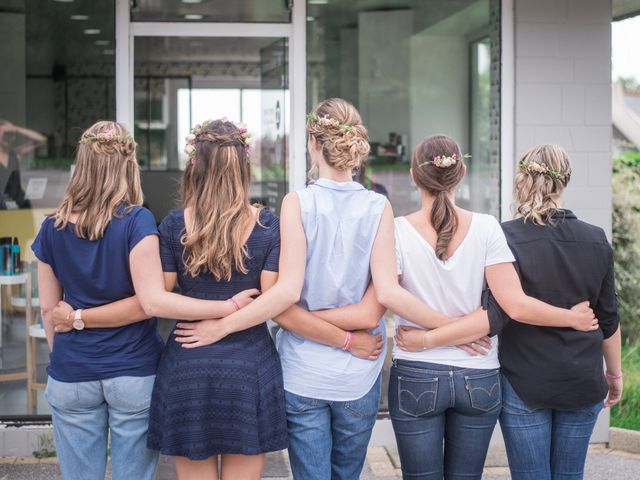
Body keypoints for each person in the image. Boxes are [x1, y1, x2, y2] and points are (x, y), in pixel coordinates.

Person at [49, 117, 384, 480]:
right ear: (244, 167)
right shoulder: (267, 225)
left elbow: (155, 299)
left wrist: (79, 313)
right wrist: (232, 312)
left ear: (194, 166)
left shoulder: (174, 226)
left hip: (188, 365)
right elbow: (274, 301)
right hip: (249, 370)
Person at [171, 98, 390, 479]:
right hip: (360, 370)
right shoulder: (379, 207)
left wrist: (304, 320)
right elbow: (372, 310)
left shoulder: (297, 204)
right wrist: (350, 340)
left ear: (313, 143)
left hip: (304, 370)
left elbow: (284, 305)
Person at [366, 134, 599, 480]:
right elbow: (509, 305)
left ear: (414, 177)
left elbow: (390, 295)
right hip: (479, 375)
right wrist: (457, 335)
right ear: (461, 175)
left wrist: (433, 337)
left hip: (416, 371)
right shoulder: (488, 227)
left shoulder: (396, 230)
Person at [35, 120, 259, 480]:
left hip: (71, 370)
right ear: (128, 165)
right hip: (133, 369)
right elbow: (149, 301)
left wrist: (71, 334)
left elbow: (50, 310)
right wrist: (229, 306)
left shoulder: (51, 228)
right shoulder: (137, 222)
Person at [490, 144, 622, 480]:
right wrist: (614, 375)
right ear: (565, 181)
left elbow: (499, 308)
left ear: (524, 177)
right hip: (582, 380)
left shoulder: (506, 236)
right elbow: (608, 319)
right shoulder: (596, 239)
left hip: (523, 381)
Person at [0, 119, 46, 209]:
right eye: (4, 134)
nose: (7, 137)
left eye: (10, 134)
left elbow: (41, 140)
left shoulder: (16, 154)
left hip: (17, 204)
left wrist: (15, 128)